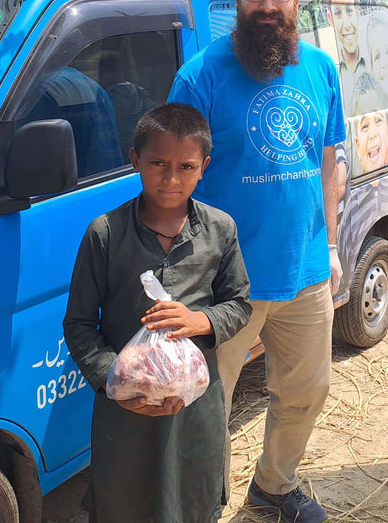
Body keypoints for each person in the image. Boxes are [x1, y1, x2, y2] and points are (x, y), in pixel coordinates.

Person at [168, 0, 345, 523]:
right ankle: (204, 505)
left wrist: (333, 245)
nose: (267, 4)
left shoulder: (320, 69)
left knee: (304, 392)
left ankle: (273, 486)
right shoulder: (199, 77)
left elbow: (329, 159)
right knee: (207, 405)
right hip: (224, 284)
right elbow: (171, 180)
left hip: (305, 271)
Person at [62, 103, 252, 523]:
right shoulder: (105, 233)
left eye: (186, 166)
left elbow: (239, 303)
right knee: (125, 501)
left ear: (204, 166)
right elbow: (78, 324)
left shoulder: (220, 229)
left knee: (192, 499)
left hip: (194, 404)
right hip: (125, 410)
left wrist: (200, 321)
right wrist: (115, 380)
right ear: (135, 161)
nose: (171, 178)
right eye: (158, 163)